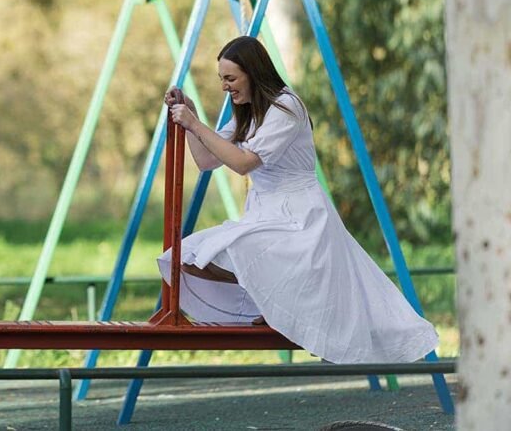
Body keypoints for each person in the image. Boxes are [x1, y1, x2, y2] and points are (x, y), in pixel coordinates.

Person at [158, 35, 437, 363]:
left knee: (239, 250)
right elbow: (207, 160)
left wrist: (195, 124)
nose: (224, 87)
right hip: (264, 212)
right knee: (186, 258)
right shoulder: (249, 113)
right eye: (221, 79)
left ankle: (289, 312)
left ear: (253, 73)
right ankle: (277, 307)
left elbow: (244, 163)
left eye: (230, 78)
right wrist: (191, 119)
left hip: (299, 216)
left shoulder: (286, 107)